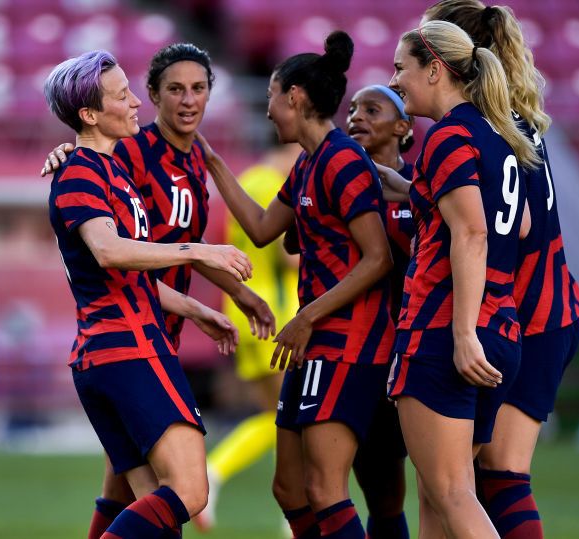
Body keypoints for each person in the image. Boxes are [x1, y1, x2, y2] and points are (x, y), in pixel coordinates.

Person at [40, 43, 276, 537]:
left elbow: (127, 273)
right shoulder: (91, 168)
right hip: (130, 350)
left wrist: (195, 307)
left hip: (125, 347)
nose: (135, 106)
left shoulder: (112, 168)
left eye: (198, 89)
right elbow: (108, 251)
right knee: (190, 492)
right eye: (125, 96)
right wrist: (198, 251)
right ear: (90, 112)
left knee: (149, 510)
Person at [204, 31, 396, 538]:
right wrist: (213, 163)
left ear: (294, 96)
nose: (266, 110)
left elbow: (378, 258)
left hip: (345, 342)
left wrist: (306, 315)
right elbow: (265, 230)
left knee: (325, 488)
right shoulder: (309, 164)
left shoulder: (342, 160)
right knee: (289, 489)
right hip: (312, 341)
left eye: (270, 96)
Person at [420, 2, 579, 537]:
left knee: (497, 477)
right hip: (540, 310)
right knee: (458, 483)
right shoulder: (512, 123)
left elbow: (500, 227)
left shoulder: (480, 131)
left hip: (532, 314)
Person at [384, 20, 539, 539]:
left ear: (434, 70)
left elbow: (472, 232)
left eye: (401, 68)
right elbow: (518, 224)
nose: (394, 79)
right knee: (438, 496)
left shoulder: (448, 135)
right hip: (500, 329)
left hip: (448, 331)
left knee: (452, 493)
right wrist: (414, 189)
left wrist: (462, 331)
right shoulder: (496, 133)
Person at [197, 141, 301, 533]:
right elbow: (288, 256)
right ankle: (294, 517)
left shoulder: (249, 180)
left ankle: (219, 474)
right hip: (277, 316)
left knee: (275, 417)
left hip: (246, 312)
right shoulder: (274, 185)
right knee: (295, 420)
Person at [344, 84, 420, 539]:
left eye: (372, 109)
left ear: (403, 126)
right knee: (383, 495)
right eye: (352, 109)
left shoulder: (425, 189)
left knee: (448, 487)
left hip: (419, 355)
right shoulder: (340, 188)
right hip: (365, 356)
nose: (356, 116)